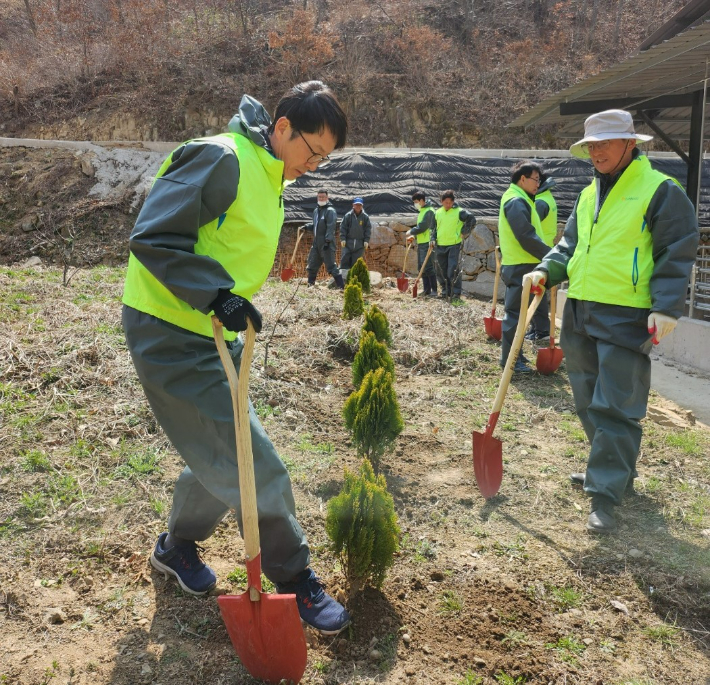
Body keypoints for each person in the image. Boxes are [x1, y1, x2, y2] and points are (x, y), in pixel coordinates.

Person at [121, 81, 352, 634]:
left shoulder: (270, 173)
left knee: (221, 447)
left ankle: (176, 546)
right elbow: (153, 236)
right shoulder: (222, 158)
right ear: (282, 129)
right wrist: (217, 295)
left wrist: (224, 305)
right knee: (252, 458)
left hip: (206, 331)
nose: (314, 166)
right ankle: (296, 581)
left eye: (324, 158)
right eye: (312, 152)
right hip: (170, 328)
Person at [528, 109, 699, 533]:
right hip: (582, 306)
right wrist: (548, 269)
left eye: (605, 143)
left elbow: (676, 251)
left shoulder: (660, 190)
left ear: (631, 144)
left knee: (616, 404)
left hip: (628, 312)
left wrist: (666, 306)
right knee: (586, 398)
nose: (597, 152)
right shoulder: (589, 194)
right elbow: (570, 244)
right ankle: (611, 470)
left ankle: (605, 492)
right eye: (591, 145)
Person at [497, 160, 550, 373]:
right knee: (515, 315)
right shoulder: (516, 201)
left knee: (519, 314)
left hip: (522, 263)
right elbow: (525, 236)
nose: (538, 184)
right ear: (522, 179)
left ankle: (515, 354)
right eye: (536, 179)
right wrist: (550, 255)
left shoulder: (522, 199)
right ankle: (510, 360)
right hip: (520, 265)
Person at [526, 173, 558, 341]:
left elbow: (529, 226)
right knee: (536, 292)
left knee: (536, 292)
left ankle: (542, 331)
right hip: (544, 248)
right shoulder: (547, 198)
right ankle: (536, 329)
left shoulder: (540, 203)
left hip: (538, 250)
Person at [432, 190, 476, 301]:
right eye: (445, 202)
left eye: (450, 202)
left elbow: (472, 219)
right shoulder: (437, 213)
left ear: (453, 202)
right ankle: (445, 291)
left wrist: (464, 232)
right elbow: (433, 228)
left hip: (454, 244)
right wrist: (432, 239)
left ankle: (455, 293)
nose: (448, 205)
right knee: (440, 269)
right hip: (440, 244)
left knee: (453, 269)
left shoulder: (460, 212)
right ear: (441, 201)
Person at [307, 188, 344, 288]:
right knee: (312, 264)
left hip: (326, 243)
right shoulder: (316, 211)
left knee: (331, 266)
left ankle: (342, 287)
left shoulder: (330, 211)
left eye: (323, 197)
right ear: (317, 197)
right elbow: (316, 225)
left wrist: (328, 241)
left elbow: (330, 227)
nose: (321, 198)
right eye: (319, 197)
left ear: (327, 197)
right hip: (316, 243)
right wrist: (307, 227)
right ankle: (310, 286)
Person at [406, 190, 437, 297]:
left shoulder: (429, 211)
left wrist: (412, 231)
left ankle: (434, 290)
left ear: (422, 200)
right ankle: (426, 289)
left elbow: (423, 226)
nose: (415, 204)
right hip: (422, 242)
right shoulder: (423, 211)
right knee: (421, 266)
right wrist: (414, 236)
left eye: (416, 202)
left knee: (428, 267)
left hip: (428, 242)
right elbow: (421, 227)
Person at [339, 197, 372, 269]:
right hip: (348, 242)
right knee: (345, 259)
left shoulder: (365, 217)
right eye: (356, 205)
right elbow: (343, 227)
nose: (358, 207)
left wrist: (366, 240)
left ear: (362, 206)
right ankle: (343, 277)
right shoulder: (348, 216)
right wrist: (343, 238)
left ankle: (354, 278)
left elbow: (368, 229)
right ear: (353, 205)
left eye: (360, 205)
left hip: (360, 244)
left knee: (356, 262)